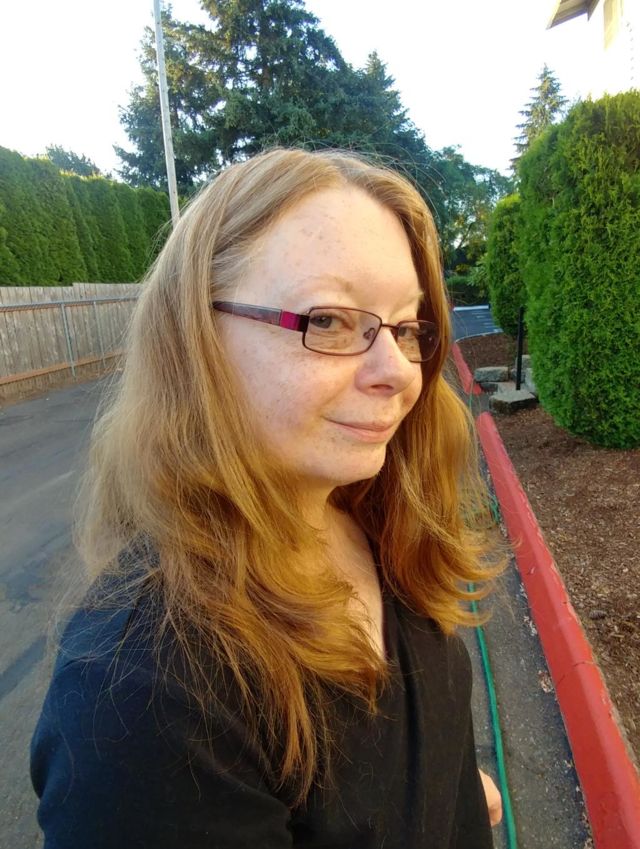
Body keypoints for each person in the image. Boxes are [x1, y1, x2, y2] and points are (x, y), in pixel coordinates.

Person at [31, 148, 503, 848]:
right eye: (329, 321)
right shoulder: (146, 697)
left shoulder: (372, 524)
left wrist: (448, 785)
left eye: (406, 328)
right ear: (198, 340)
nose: (400, 371)